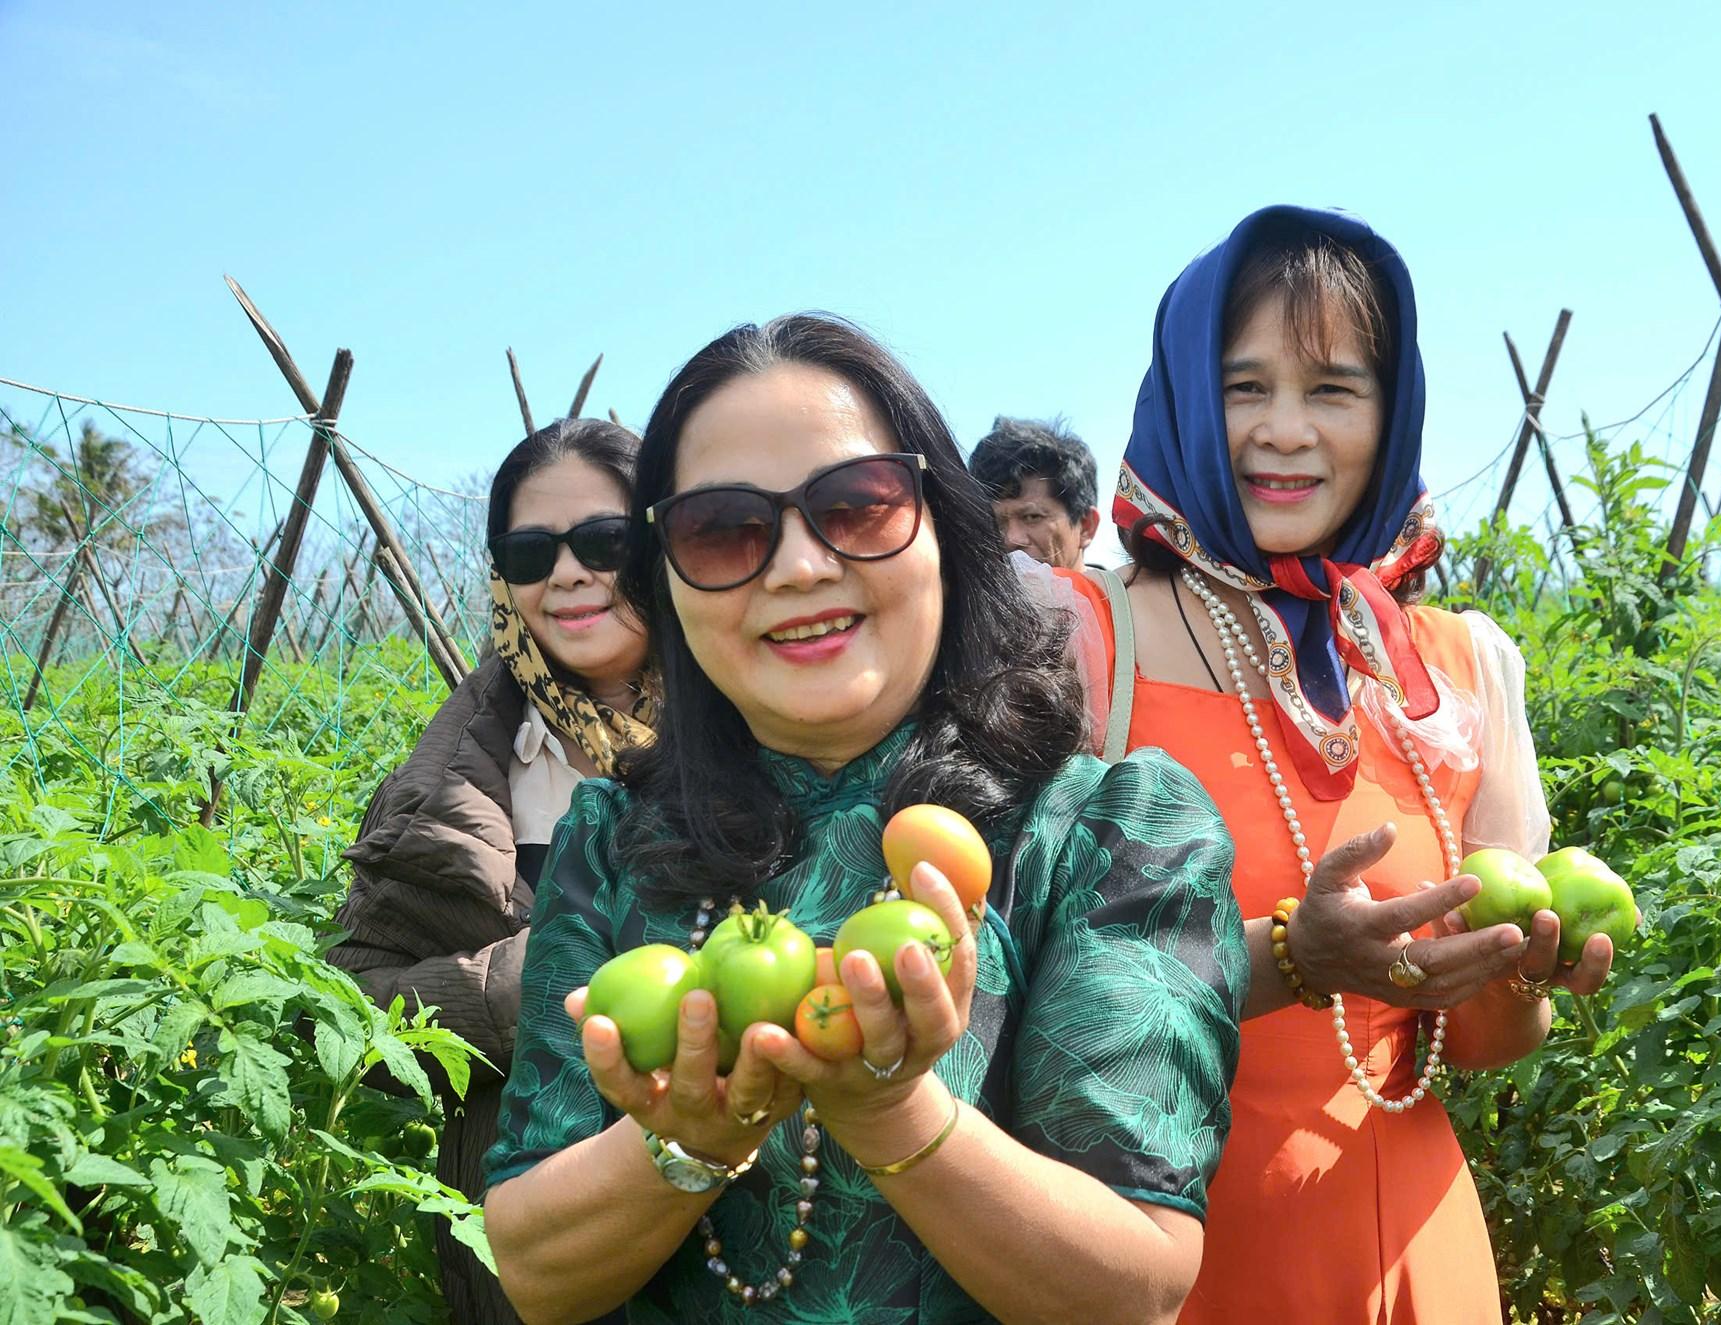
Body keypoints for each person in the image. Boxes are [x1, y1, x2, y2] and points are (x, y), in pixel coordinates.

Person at [481, 314, 1247, 1324]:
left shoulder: (1104, 831)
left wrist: (893, 1112)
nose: (798, 566)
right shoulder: (615, 842)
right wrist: (689, 1140)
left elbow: (1133, 1286)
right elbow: (535, 1271)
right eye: (723, 528)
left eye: (858, 505)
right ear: (666, 582)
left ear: (943, 533)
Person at [1068, 206, 1628, 1323]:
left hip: (1416, 1246)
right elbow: (1027, 989)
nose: (1286, 430)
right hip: (1165, 1254)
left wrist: (1516, 968)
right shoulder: (1084, 643)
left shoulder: (1457, 667)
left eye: (1332, 388)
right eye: (1242, 388)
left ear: (1392, 408)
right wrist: (1292, 955)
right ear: (1182, 394)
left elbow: (1483, 1049)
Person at [332, 417, 657, 1325]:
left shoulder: (762, 733)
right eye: (530, 550)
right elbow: (353, 1015)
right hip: (526, 1242)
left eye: (607, 540)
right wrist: (522, 989)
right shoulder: (458, 773)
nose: (567, 574)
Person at [967, 415, 1101, 569]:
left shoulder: (1125, 593)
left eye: (1032, 517)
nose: (1010, 540)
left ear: (1086, 526)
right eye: (995, 524)